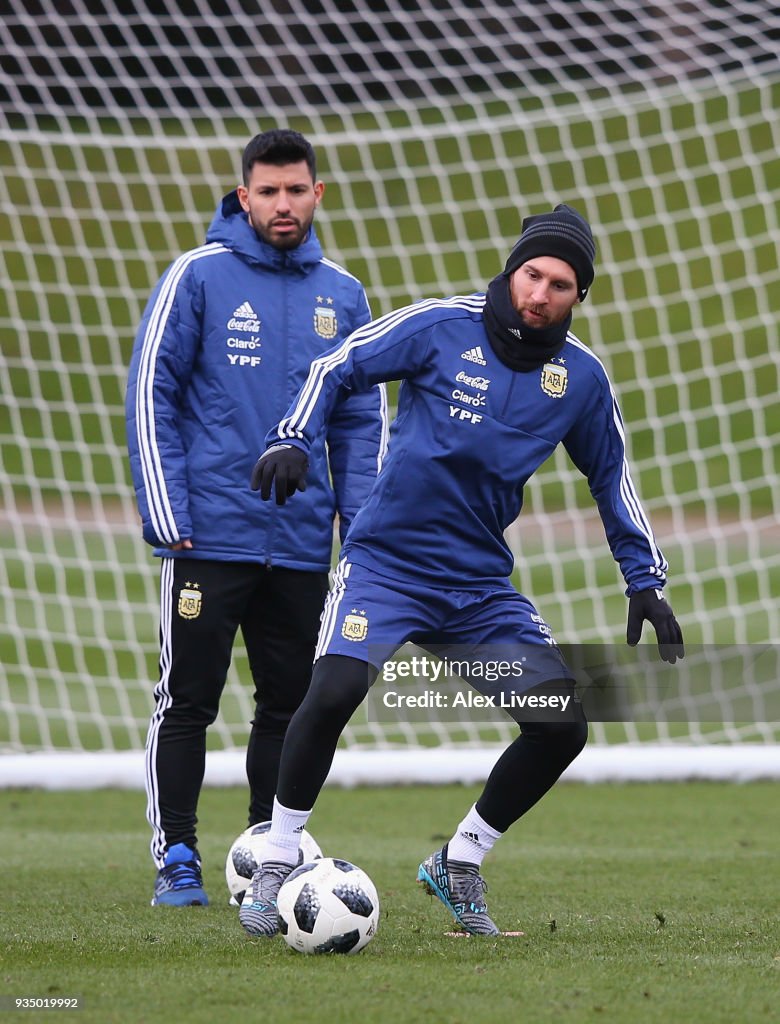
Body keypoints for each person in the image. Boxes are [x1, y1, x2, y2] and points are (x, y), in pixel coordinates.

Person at [239, 203, 684, 937]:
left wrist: (646, 580)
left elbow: (613, 478)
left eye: (560, 284)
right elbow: (336, 364)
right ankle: (279, 858)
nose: (539, 293)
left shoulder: (580, 380)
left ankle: (461, 858)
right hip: (387, 565)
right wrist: (291, 435)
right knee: (336, 689)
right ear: (512, 271)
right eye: (531, 274)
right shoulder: (441, 325)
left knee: (562, 724)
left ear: (580, 297)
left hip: (478, 588)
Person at [125, 129, 388, 907]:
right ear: (244, 197)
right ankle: (176, 854)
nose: (283, 204)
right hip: (207, 534)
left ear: (318, 195)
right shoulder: (197, 276)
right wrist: (168, 509)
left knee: (289, 704)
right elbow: (152, 394)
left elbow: (361, 419)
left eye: (296, 190)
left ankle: (268, 860)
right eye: (267, 192)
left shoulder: (343, 293)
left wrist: (359, 525)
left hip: (303, 546)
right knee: (188, 699)